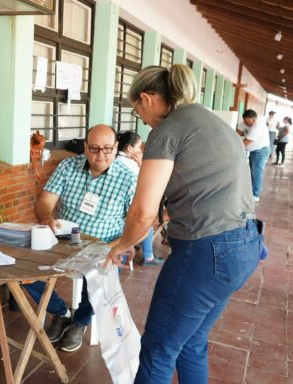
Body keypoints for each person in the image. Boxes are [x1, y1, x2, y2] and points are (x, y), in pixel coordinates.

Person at [105, 64, 260, 384]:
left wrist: (122, 245)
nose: (143, 121)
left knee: (158, 351)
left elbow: (141, 213)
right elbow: (204, 189)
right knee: (191, 342)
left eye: (138, 111)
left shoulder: (167, 131)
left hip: (206, 253)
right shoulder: (213, 124)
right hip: (245, 246)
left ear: (147, 99)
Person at [24, 124, 137, 352]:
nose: (100, 155)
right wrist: (47, 218)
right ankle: (61, 312)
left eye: (107, 149)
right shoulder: (68, 166)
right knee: (25, 271)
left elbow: (136, 222)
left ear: (116, 148)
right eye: (94, 148)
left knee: (101, 280)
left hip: (105, 245)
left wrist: (125, 244)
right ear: (85, 147)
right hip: (64, 240)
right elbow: (44, 202)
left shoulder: (128, 179)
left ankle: (80, 321)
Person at [117, 131, 163, 266]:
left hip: (118, 210)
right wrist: (142, 163)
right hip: (127, 213)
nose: (140, 150)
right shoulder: (131, 165)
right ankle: (148, 256)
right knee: (146, 218)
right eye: (138, 148)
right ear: (130, 149)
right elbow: (148, 182)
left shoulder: (115, 159)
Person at [236, 109, 270, 202]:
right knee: (251, 172)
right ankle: (250, 191)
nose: (246, 124)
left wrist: (234, 149)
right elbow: (238, 132)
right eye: (245, 122)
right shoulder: (244, 122)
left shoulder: (258, 126)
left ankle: (256, 194)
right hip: (253, 151)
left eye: (248, 122)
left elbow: (246, 142)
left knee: (257, 173)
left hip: (261, 151)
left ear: (254, 119)